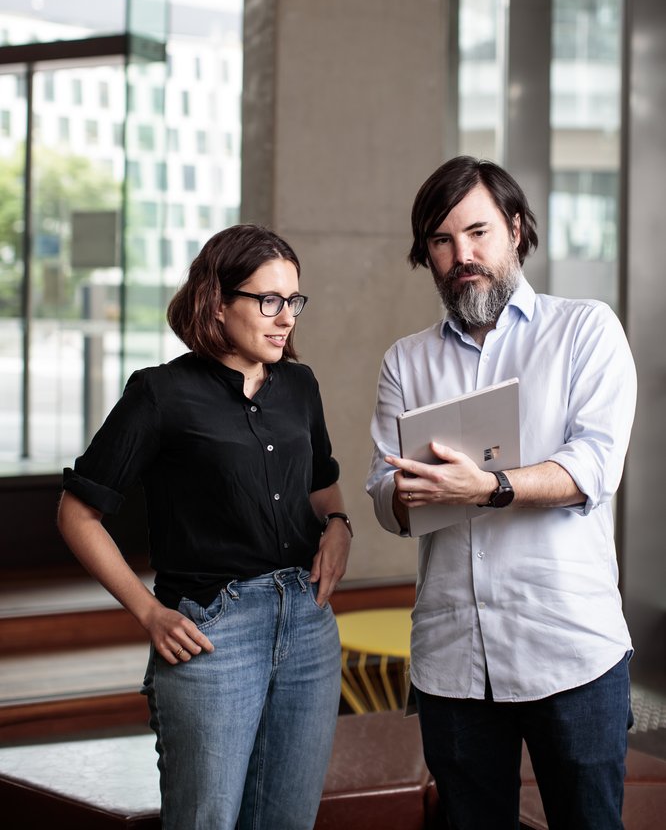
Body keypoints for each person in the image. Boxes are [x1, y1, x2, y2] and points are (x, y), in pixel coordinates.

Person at [367, 156, 636, 830]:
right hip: (453, 659)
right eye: (442, 242)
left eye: (479, 233)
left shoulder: (585, 329)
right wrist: (410, 491)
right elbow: (382, 496)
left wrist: (486, 488)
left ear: (515, 230)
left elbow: (594, 468)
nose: (464, 256)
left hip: (570, 648)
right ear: (426, 254)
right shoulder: (407, 360)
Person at [58, 224, 352, 830]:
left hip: (307, 624)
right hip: (214, 632)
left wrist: (340, 524)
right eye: (268, 300)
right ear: (217, 301)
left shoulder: (299, 385)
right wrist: (148, 612)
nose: (285, 317)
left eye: (293, 300)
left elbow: (322, 483)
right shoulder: (160, 394)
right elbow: (76, 511)